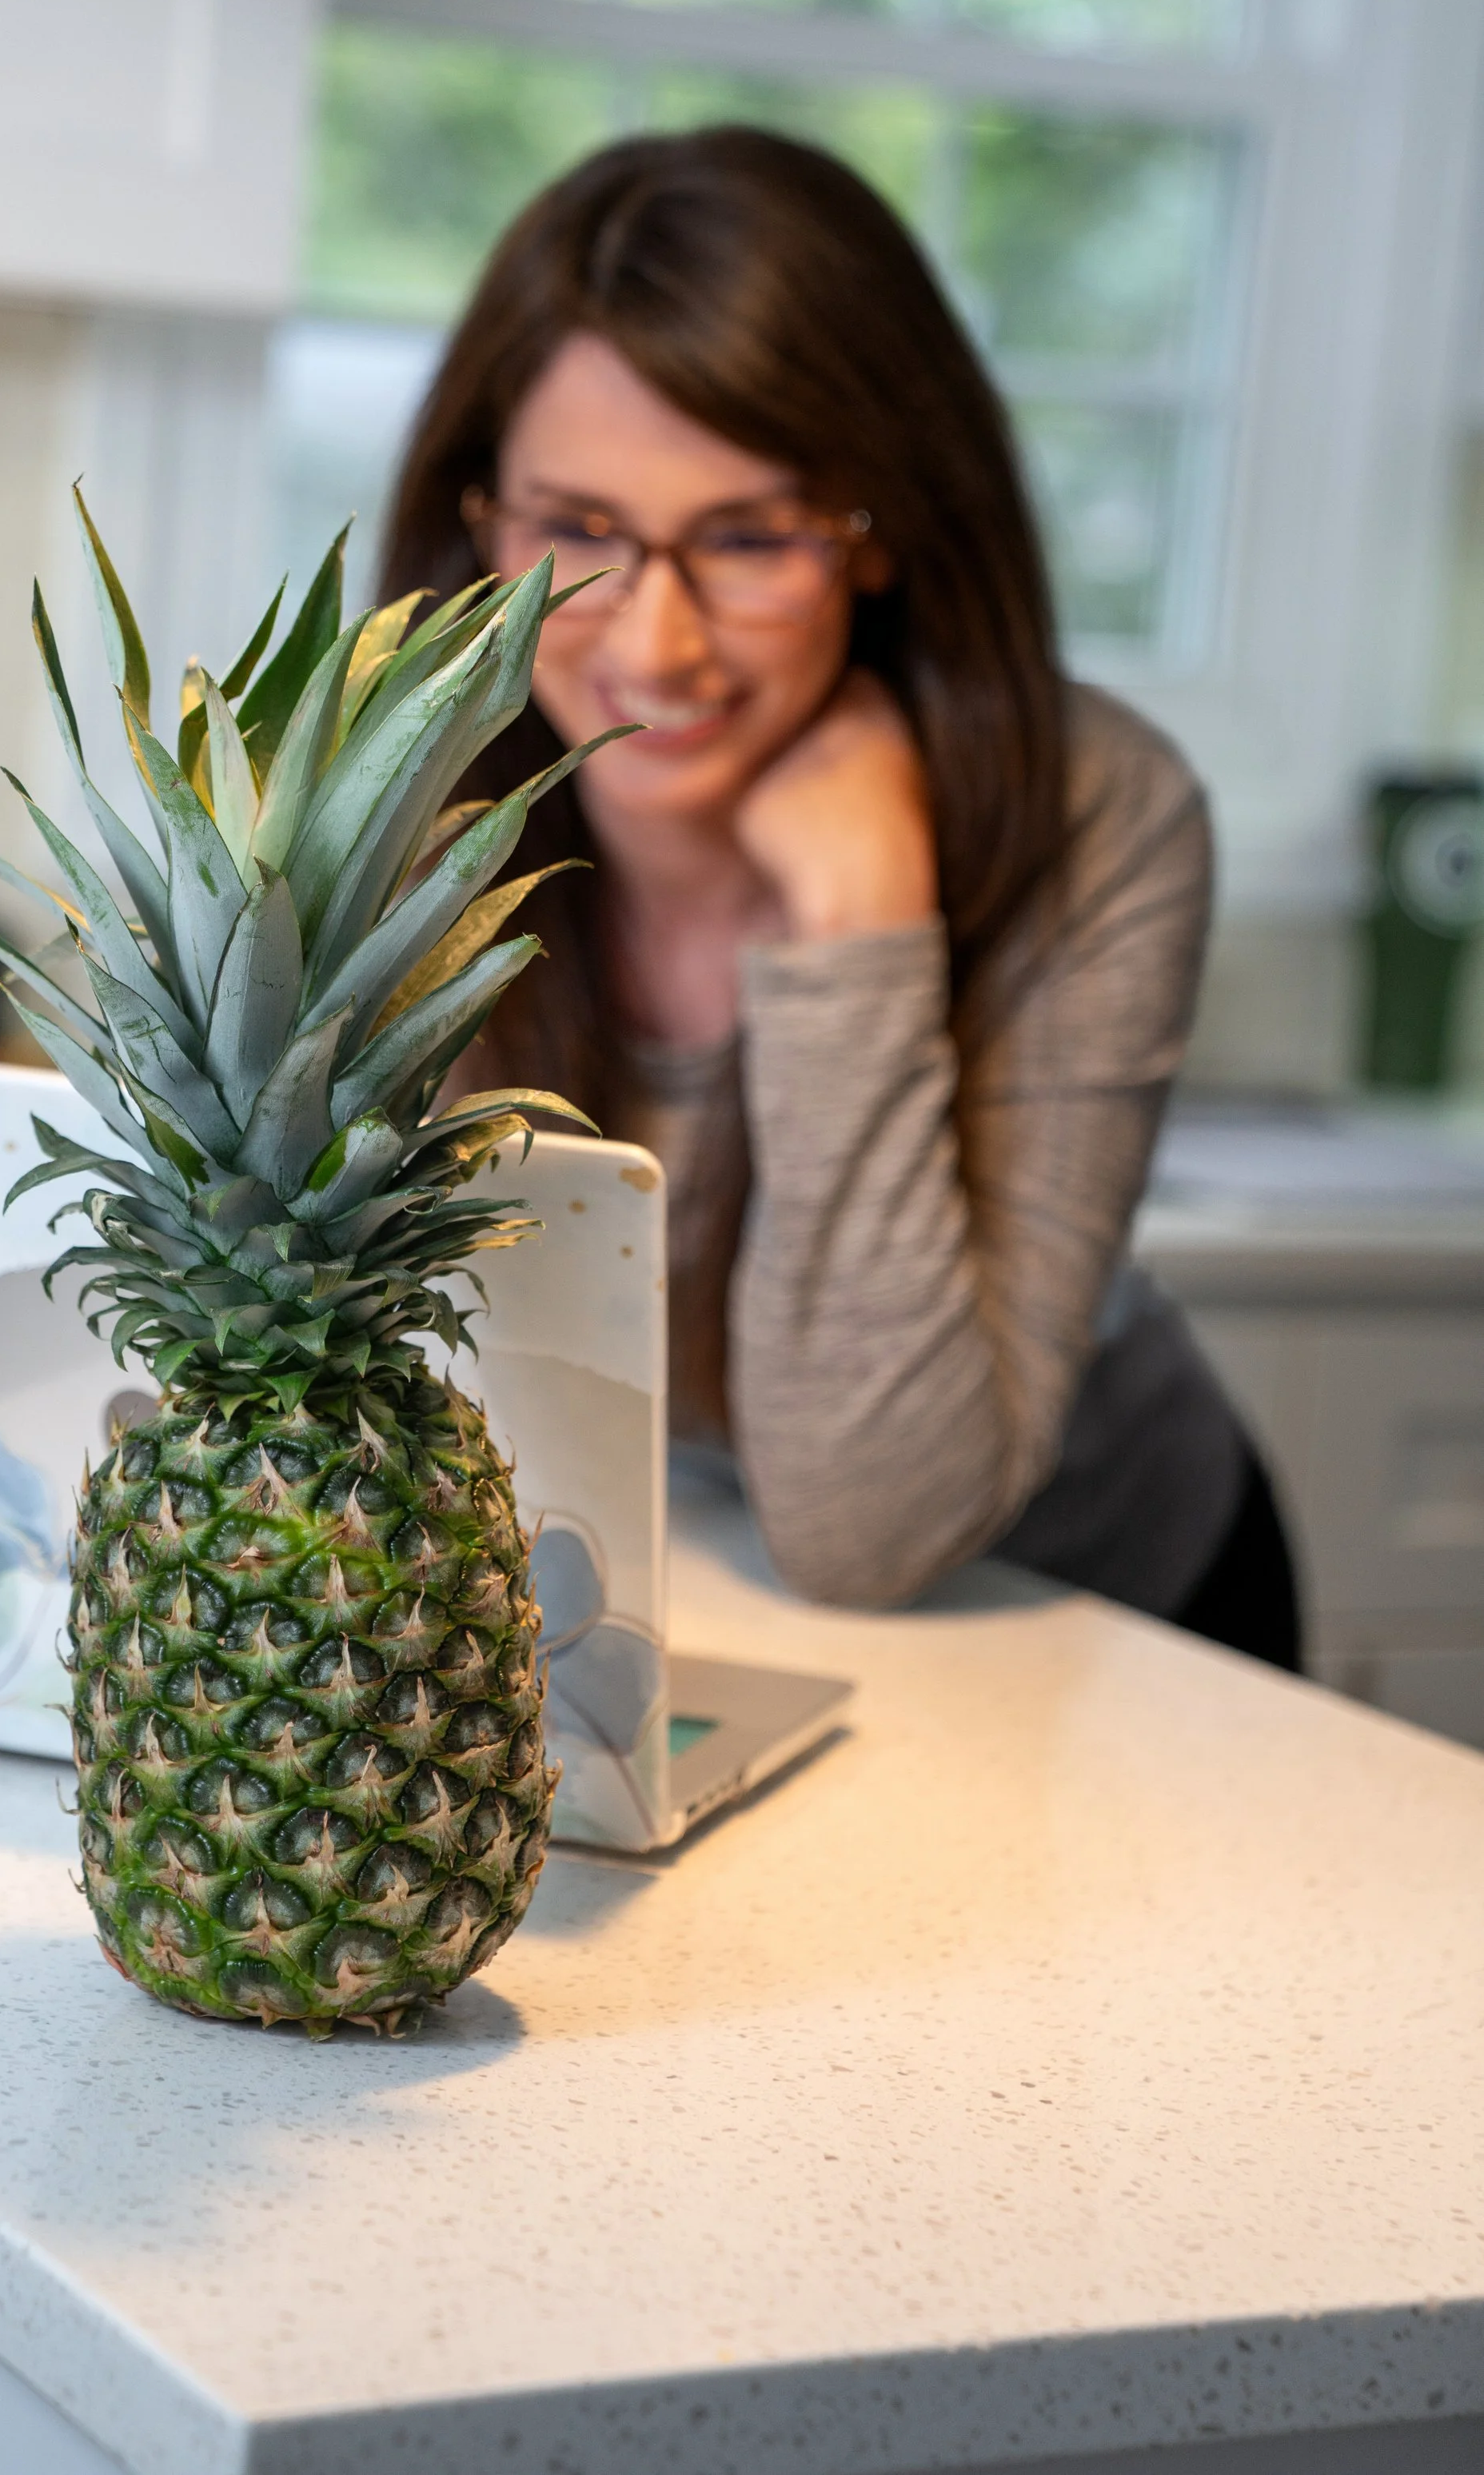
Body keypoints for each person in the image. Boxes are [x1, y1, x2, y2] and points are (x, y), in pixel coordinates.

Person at [377, 124, 1302, 1670]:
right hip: (694, 1585)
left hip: (1095, 1611)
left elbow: (873, 1528)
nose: (652, 641)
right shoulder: (416, 808)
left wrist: (864, 921)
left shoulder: (1097, 815)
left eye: (747, 537)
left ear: (881, 532)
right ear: (482, 517)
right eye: (575, 531)